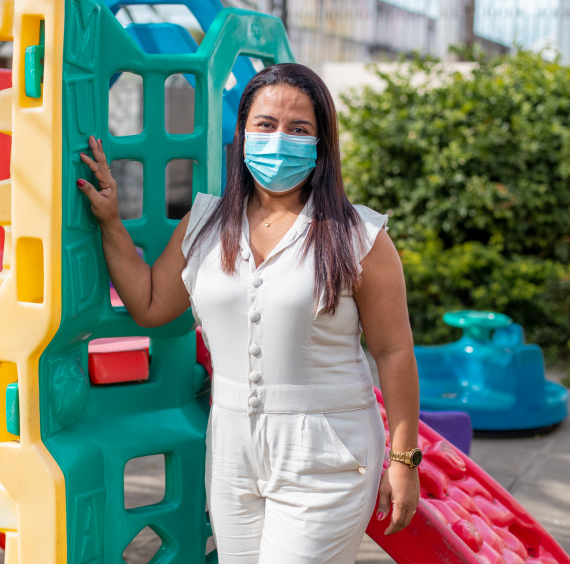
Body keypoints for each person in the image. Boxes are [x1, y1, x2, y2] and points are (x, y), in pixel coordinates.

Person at [77, 63, 420, 563]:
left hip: (328, 453)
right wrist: (110, 220)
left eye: (299, 129)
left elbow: (394, 351)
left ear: (322, 145)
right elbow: (151, 304)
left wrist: (404, 459)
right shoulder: (205, 222)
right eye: (266, 125)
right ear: (241, 134)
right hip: (233, 449)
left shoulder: (360, 237)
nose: (280, 139)